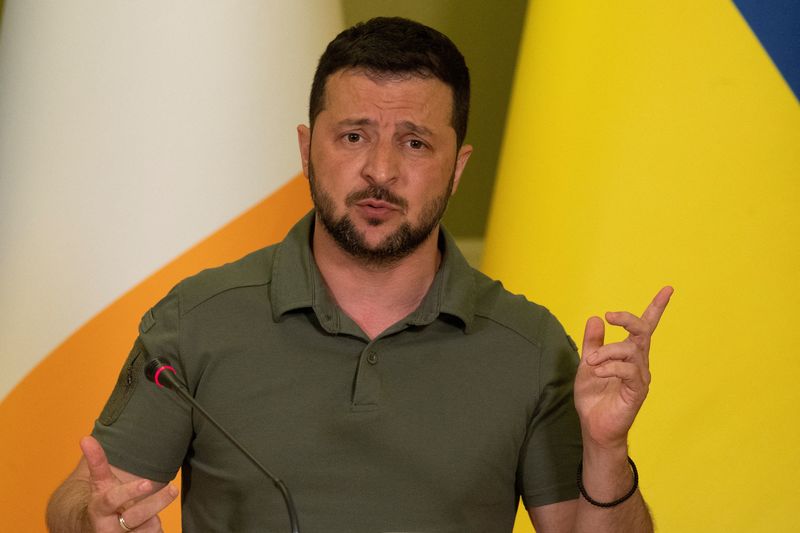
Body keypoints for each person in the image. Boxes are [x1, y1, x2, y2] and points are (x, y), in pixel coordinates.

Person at [46, 17, 672, 533]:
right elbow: (81, 499)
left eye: (415, 143)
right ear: (305, 148)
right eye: (352, 136)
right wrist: (94, 518)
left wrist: (607, 450)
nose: (380, 170)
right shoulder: (198, 318)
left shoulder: (532, 347)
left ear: (458, 167)